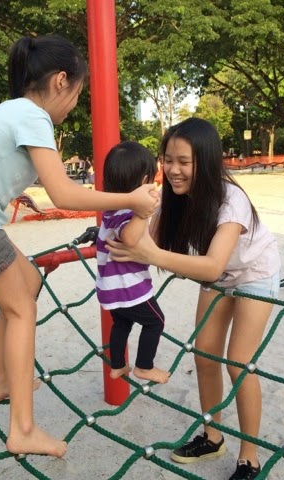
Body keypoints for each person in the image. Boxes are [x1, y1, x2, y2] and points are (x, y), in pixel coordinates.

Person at [0, 35, 159, 459]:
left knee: (28, 282)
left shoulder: (16, 112)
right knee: (21, 308)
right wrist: (132, 199)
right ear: (61, 80)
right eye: (77, 92)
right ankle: (23, 430)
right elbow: (64, 194)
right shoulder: (32, 115)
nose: (74, 105)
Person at [106, 117, 281, 480]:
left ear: (207, 160)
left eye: (184, 161)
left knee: (239, 363)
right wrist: (115, 227)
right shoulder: (172, 198)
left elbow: (211, 265)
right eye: (168, 160)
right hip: (216, 277)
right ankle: (212, 437)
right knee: (204, 355)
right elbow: (146, 240)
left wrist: (150, 254)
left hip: (254, 274)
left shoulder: (231, 200)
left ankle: (250, 457)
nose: (173, 170)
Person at [95, 141, 170, 384]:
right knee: (156, 322)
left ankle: (117, 365)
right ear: (144, 181)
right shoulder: (128, 212)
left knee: (122, 323)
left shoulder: (111, 209)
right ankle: (144, 367)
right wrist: (143, 213)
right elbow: (128, 237)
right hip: (128, 288)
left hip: (110, 288)